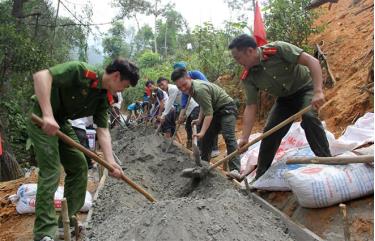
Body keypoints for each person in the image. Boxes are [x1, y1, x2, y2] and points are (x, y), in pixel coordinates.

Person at [26, 58, 139, 241]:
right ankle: (43, 233)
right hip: (41, 118)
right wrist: (47, 114)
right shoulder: (81, 72)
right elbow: (41, 76)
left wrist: (110, 162)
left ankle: (64, 222)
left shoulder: (103, 98)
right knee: (51, 170)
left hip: (61, 122)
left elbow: (102, 130)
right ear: (116, 76)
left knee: (79, 165)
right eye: (124, 86)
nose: (122, 91)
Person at [228, 34, 331, 181]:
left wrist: (318, 91)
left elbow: (312, 61)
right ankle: (260, 176)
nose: (238, 62)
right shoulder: (248, 76)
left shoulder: (278, 49)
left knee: (309, 118)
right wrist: (244, 137)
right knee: (269, 133)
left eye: (238, 58)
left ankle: (326, 160)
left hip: (305, 89)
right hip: (285, 100)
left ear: (250, 51)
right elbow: (251, 106)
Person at [171, 68, 240, 171]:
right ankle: (203, 165)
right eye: (179, 87)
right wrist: (199, 119)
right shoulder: (191, 89)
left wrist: (202, 132)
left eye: (184, 85)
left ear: (189, 78)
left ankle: (235, 170)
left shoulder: (199, 89)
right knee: (207, 138)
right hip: (215, 110)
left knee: (228, 136)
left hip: (227, 108)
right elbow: (204, 104)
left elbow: (209, 114)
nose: (183, 89)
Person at [173, 61, 220, 157]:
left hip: (210, 100)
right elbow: (183, 103)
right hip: (201, 104)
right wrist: (181, 116)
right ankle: (202, 150)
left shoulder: (195, 74)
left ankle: (214, 149)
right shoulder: (182, 85)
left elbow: (206, 86)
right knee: (199, 126)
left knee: (211, 124)